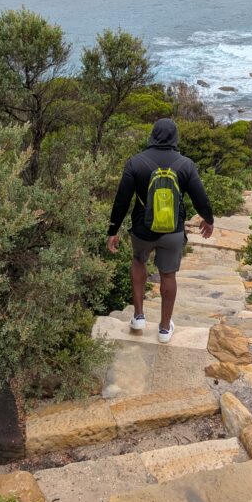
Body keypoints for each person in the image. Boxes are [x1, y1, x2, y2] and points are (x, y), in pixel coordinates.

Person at [106, 118, 214, 343]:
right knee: (168, 275)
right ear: (175, 137)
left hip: (142, 230)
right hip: (173, 231)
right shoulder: (186, 164)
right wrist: (208, 219)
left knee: (138, 262)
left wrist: (113, 230)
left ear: (152, 135)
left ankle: (138, 317)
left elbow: (121, 201)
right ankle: (164, 329)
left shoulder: (135, 163)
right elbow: (200, 198)